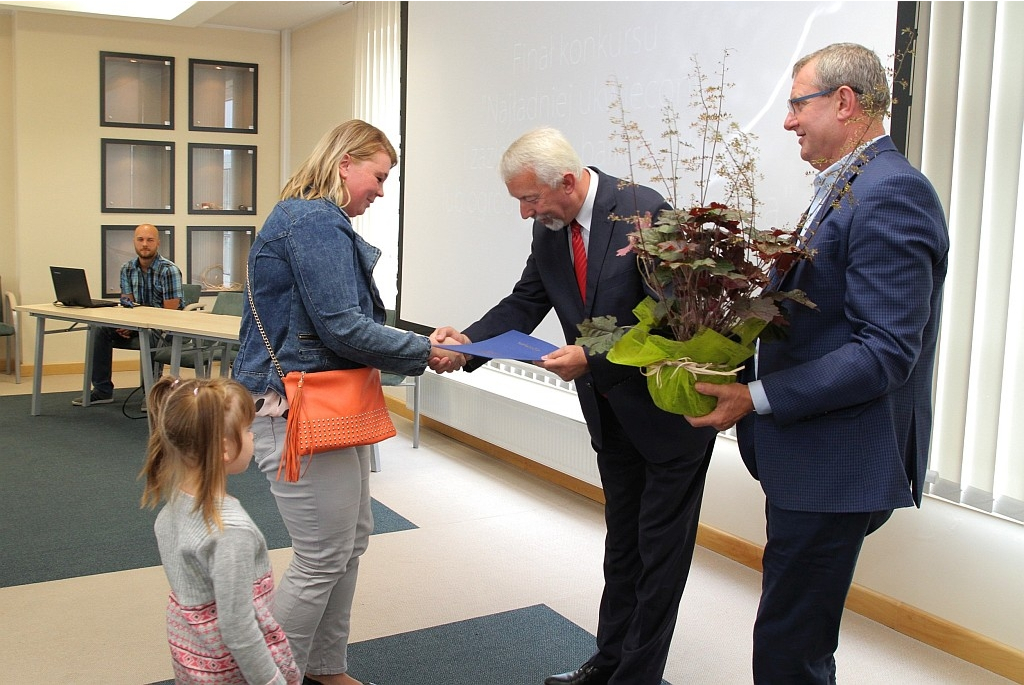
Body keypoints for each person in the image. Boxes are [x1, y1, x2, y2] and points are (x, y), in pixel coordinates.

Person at [687, 43, 949, 683]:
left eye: (797, 104)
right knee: (790, 630)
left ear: (844, 102)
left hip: (841, 456)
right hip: (816, 449)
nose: (787, 122)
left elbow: (884, 350)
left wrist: (755, 397)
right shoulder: (848, 184)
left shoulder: (890, 192)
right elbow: (823, 315)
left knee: (791, 646)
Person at [431, 127, 718, 685]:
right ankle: (607, 662)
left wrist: (593, 357)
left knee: (659, 558)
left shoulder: (643, 211)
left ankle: (638, 676)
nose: (523, 213)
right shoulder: (551, 229)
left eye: (529, 199)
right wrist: (467, 346)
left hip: (666, 419)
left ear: (566, 181)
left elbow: (669, 316)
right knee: (623, 548)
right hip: (611, 416)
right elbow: (527, 300)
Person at [232, 119, 464, 685]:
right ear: (345, 163)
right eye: (378, 177)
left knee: (347, 543)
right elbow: (342, 328)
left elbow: (348, 320)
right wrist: (423, 350)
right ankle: (265, 677)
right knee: (320, 558)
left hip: (325, 404)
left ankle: (321, 668)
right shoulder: (314, 219)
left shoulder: (309, 217)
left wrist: (420, 340)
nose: (381, 192)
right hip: (298, 410)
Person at [140, 376, 301, 685]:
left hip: (194, 651)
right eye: (247, 430)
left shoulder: (172, 508)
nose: (252, 438)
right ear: (225, 447)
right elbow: (238, 627)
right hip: (232, 667)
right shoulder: (230, 531)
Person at [73, 222, 184, 406]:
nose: (145, 244)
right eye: (140, 239)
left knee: (147, 335)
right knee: (99, 330)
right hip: (139, 325)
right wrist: (127, 326)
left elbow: (169, 315)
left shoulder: (169, 270)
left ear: (158, 243)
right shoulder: (127, 268)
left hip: (167, 329)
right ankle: (102, 390)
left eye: (150, 240)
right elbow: (128, 305)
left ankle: (150, 394)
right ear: (134, 242)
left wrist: (137, 327)